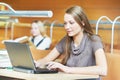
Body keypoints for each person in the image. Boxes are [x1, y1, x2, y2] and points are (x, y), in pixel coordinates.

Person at [35, 6, 107, 80]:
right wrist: (36, 63)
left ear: (82, 23)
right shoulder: (66, 40)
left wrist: (67, 69)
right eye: (65, 23)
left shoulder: (94, 40)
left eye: (71, 23)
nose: (67, 27)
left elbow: (103, 70)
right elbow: (47, 59)